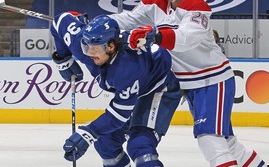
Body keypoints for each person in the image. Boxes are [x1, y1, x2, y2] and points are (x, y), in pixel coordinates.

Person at [109, 0, 269, 167]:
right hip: (186, 84)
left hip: (211, 80)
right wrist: (101, 25)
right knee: (228, 144)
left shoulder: (197, 7)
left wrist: (155, 36)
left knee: (210, 140)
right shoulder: (155, 2)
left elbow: (185, 39)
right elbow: (128, 19)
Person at [50, 11, 182, 167]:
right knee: (106, 143)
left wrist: (87, 133)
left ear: (110, 47)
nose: (89, 53)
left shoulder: (127, 68)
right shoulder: (83, 42)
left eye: (94, 48)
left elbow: (118, 115)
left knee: (140, 146)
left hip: (159, 86)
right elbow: (59, 21)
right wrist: (64, 59)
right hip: (137, 87)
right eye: (87, 47)